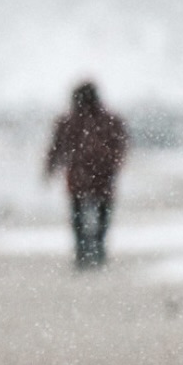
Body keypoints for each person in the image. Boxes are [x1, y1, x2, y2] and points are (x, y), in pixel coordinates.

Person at [44, 79, 129, 269]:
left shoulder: (68, 121)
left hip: (80, 177)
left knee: (78, 216)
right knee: (102, 215)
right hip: (102, 176)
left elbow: (56, 148)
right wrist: (114, 164)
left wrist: (50, 169)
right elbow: (121, 145)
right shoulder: (109, 120)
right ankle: (97, 250)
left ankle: (83, 253)